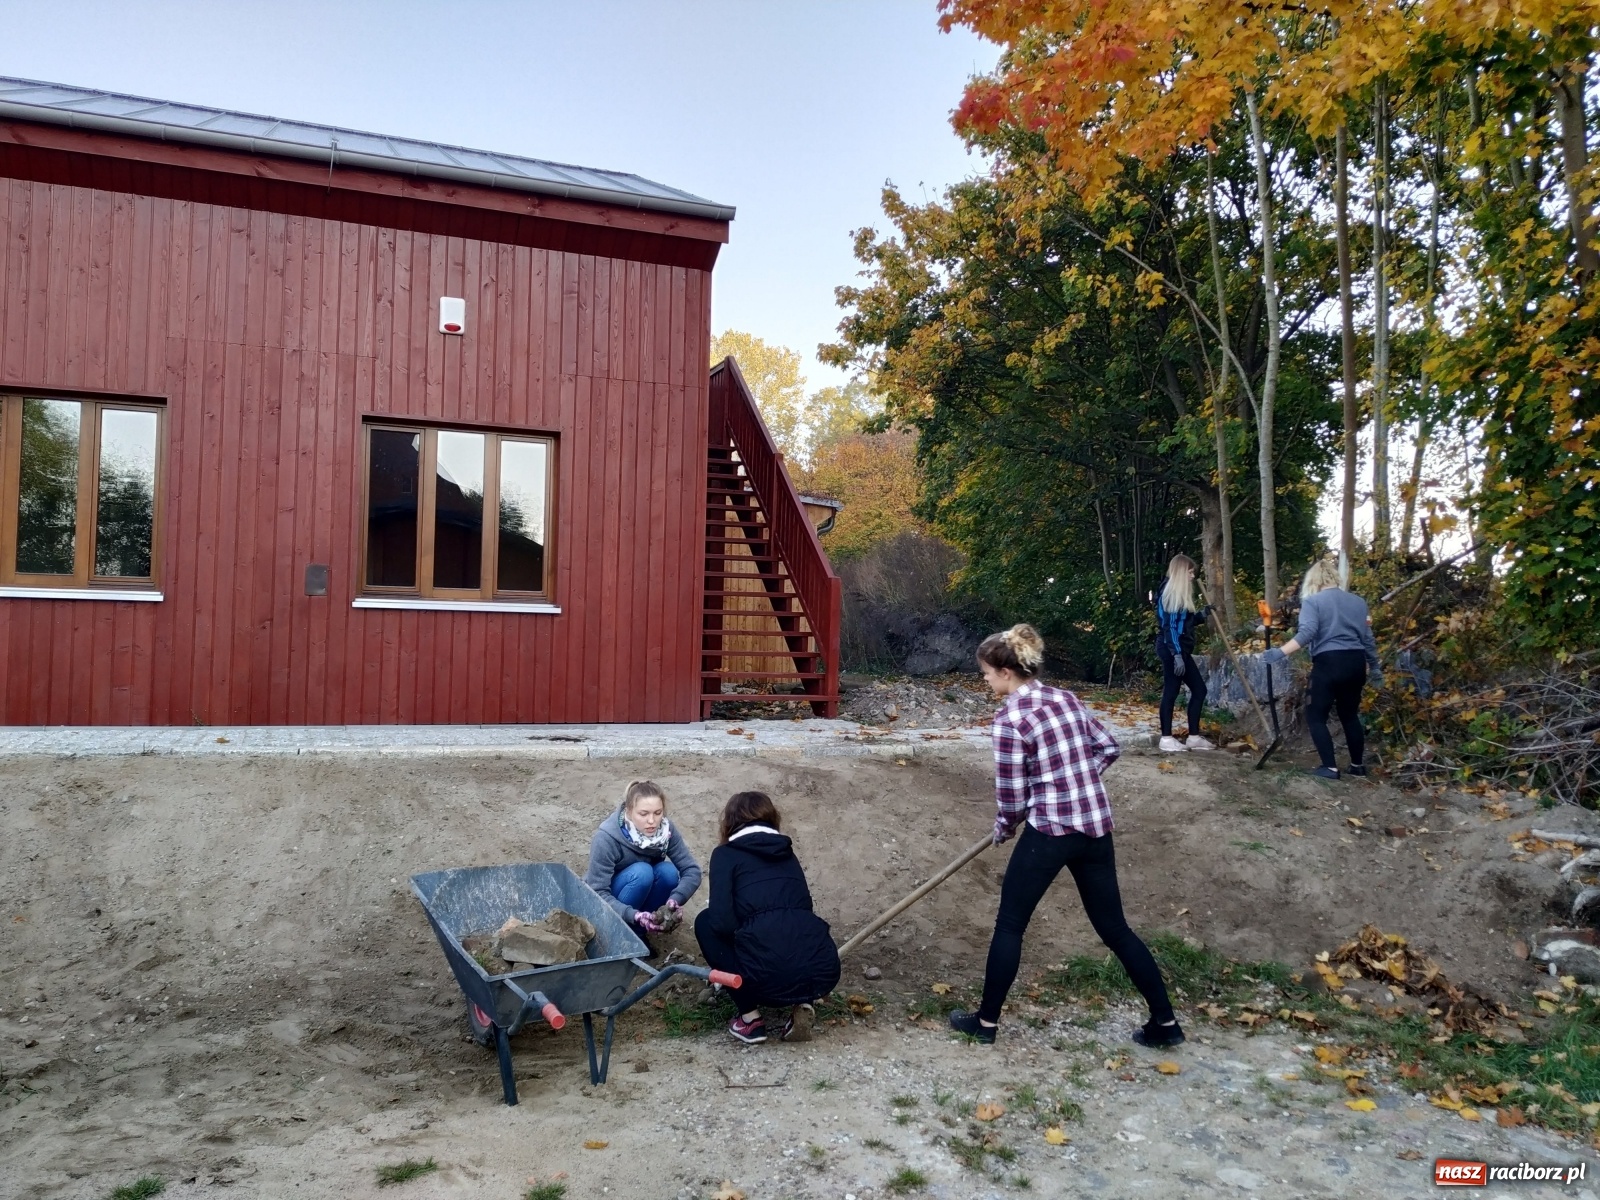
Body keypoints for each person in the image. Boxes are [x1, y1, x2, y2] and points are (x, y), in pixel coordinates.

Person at [948, 623, 1183, 1049]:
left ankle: (985, 1023)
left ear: (1005, 671)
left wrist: (1005, 825)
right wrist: (1075, 781)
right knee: (1115, 929)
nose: (983, 679)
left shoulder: (1010, 720)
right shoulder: (1065, 698)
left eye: (985, 672)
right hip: (1094, 826)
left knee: (1010, 925)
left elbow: (1012, 794)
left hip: (1050, 831)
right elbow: (1109, 746)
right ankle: (1165, 1024)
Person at [694, 790, 841, 1045]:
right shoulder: (787, 853)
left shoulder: (725, 855)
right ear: (772, 819)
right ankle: (800, 1001)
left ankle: (751, 1020)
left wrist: (745, 929)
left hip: (761, 976)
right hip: (817, 974)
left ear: (729, 822)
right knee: (790, 925)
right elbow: (804, 905)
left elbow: (720, 921)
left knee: (705, 922)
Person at [1263, 557, 1383, 780]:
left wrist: (1279, 653)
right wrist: (1375, 667)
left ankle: (1330, 767)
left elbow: (1307, 634)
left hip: (1329, 663)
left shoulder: (1313, 602)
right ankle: (1357, 766)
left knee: (1316, 714)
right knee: (1349, 715)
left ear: (1314, 580)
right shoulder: (1359, 602)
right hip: (1356, 664)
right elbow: (1368, 640)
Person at [585, 780, 702, 936]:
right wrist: (632, 914)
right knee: (642, 872)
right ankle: (616, 932)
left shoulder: (665, 831)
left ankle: (639, 931)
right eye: (643, 814)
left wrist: (675, 900)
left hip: (637, 894)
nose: (652, 821)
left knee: (669, 872)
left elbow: (692, 870)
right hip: (610, 900)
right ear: (628, 811)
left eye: (658, 813)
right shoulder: (606, 838)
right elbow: (597, 892)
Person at [1155, 554, 1214, 753]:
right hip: (1171, 649)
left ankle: (1194, 738)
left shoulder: (1181, 594)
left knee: (1199, 690)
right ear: (1181, 572)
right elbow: (1169, 628)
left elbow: (1183, 624)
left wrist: (1201, 615)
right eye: (1189, 572)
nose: (1192, 576)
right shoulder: (1170, 593)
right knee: (1171, 692)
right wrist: (1177, 655)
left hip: (1180, 649)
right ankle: (1166, 739)